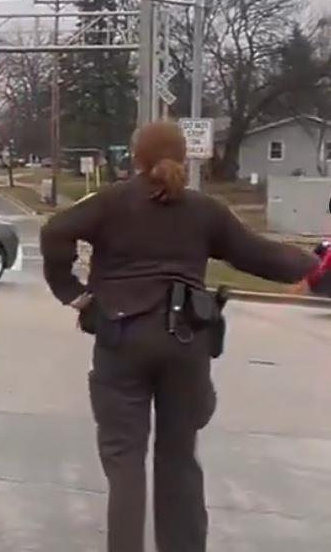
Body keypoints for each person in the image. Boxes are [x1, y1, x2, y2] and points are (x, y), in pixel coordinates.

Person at [39, 121, 327, 552]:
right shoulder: (204, 210)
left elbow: (54, 231)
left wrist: (76, 296)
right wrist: (312, 262)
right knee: (179, 460)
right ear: (183, 156)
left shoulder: (111, 203)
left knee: (125, 463)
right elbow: (257, 254)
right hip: (186, 340)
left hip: (122, 338)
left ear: (135, 158)